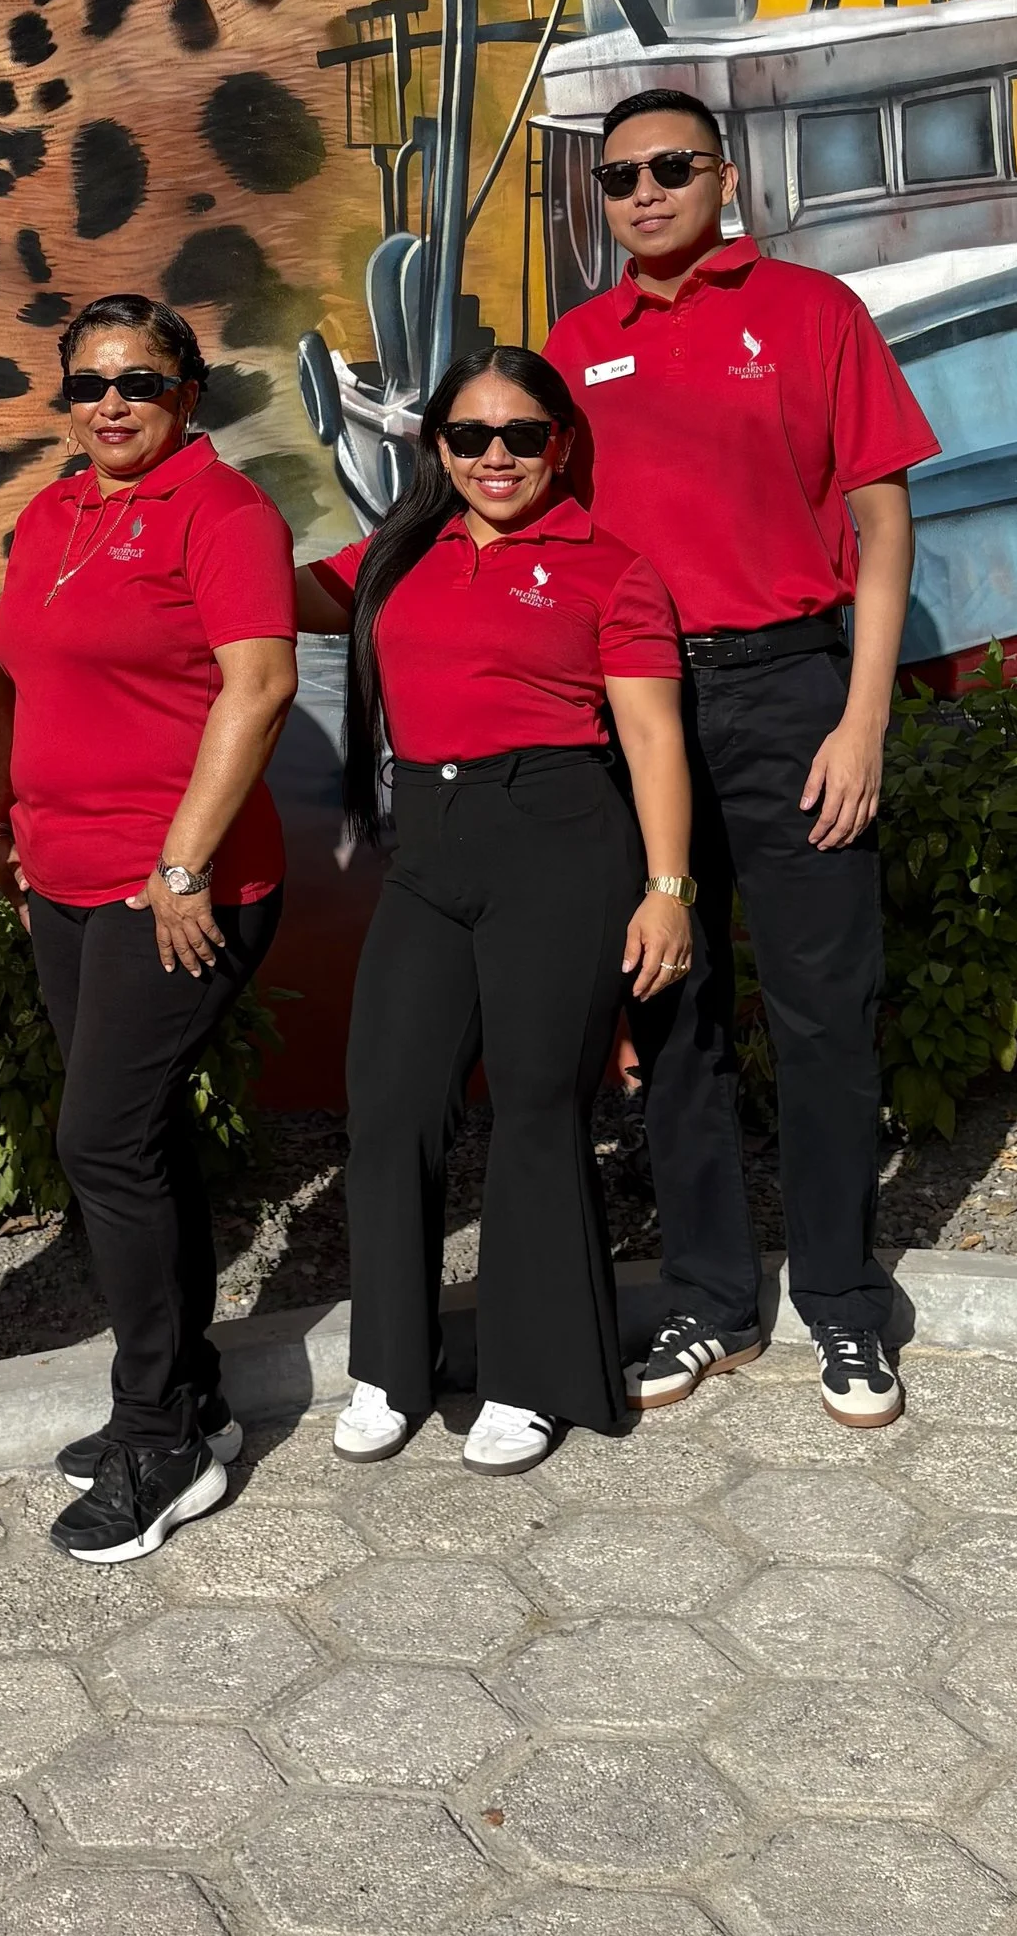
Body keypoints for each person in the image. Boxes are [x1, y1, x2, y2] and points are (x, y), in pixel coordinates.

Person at [543, 87, 942, 1430]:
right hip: (639, 709)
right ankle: (713, 1301)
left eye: (671, 167)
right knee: (673, 1010)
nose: (645, 192)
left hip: (791, 690)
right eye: (618, 177)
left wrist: (864, 718)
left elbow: (883, 529)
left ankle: (841, 1301)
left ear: (724, 176)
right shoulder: (576, 344)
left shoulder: (815, 313)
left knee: (827, 1011)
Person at [297, 348, 694, 1474]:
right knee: (391, 1100)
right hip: (429, 842)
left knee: (533, 1109)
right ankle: (392, 1360)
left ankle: (531, 1376)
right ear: (437, 449)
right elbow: (273, 597)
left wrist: (667, 889)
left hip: (559, 842)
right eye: (470, 436)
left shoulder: (608, 569)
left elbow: (654, 737)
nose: (496, 457)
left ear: (559, 443)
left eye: (522, 434)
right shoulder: (395, 556)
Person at [0, 296, 297, 1562]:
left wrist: (181, 862)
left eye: (141, 381)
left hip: (172, 889)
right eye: (89, 382)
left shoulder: (223, 512)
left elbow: (262, 684)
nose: (112, 402)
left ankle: (158, 1436)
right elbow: (10, 669)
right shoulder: (54, 512)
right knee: (137, 1136)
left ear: (188, 392)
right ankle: (194, 1396)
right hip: (59, 874)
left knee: (102, 1138)